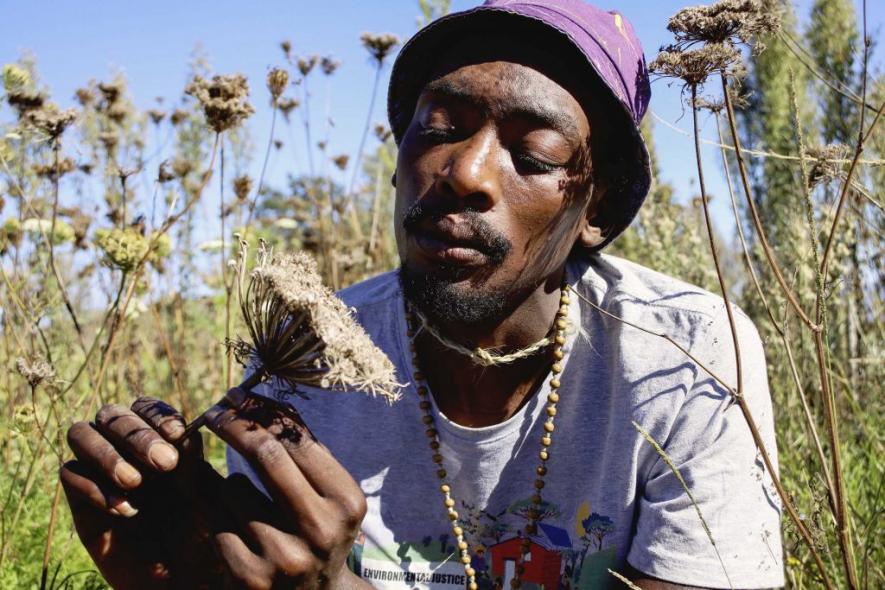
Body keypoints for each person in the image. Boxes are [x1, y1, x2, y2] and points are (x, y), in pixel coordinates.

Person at [61, 1, 785, 588]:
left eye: (533, 155)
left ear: (595, 210)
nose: (463, 172)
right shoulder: (303, 362)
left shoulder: (683, 354)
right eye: (437, 129)